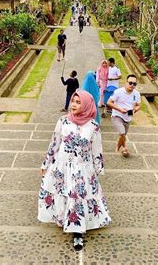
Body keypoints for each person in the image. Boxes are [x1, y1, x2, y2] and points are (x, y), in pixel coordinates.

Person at [38, 90, 111, 251]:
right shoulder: (63, 121)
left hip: (83, 170)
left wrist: (97, 170)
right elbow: (54, 144)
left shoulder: (93, 126)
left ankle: (77, 232)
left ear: (86, 105)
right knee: (64, 193)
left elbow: (97, 150)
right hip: (62, 167)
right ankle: (64, 219)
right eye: (73, 101)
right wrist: (45, 164)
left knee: (77, 197)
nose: (74, 105)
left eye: (79, 102)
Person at [107, 74, 141, 157]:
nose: (132, 85)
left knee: (122, 136)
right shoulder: (118, 92)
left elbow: (139, 105)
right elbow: (109, 102)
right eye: (130, 83)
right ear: (126, 83)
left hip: (128, 117)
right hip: (117, 115)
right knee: (122, 133)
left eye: (134, 84)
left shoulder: (136, 94)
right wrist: (120, 109)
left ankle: (117, 148)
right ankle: (125, 148)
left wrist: (135, 109)